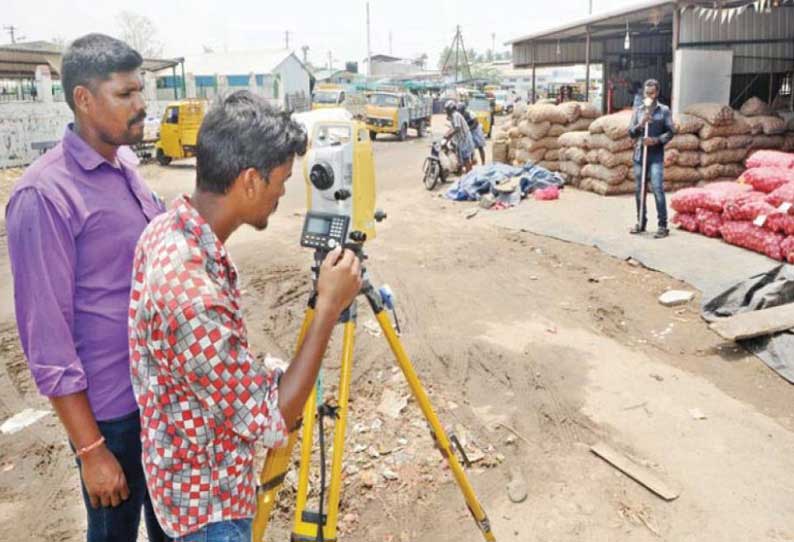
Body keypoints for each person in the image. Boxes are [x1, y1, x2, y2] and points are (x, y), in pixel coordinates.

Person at [128, 90, 363, 542]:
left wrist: (259, 373)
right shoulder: (193, 296)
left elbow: (207, 372)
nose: (282, 193)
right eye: (281, 180)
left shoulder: (168, 230)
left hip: (181, 482)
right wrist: (329, 307)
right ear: (251, 180)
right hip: (207, 513)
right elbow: (274, 420)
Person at [5, 34, 167, 542]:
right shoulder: (45, 195)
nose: (141, 105)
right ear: (83, 98)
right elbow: (47, 339)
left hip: (159, 400)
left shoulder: (128, 169)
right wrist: (92, 450)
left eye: (141, 91)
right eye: (125, 94)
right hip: (112, 417)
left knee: (172, 530)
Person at [627, 79, 675, 238]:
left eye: (652, 93)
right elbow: (631, 132)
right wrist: (641, 124)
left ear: (657, 93)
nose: (649, 95)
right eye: (646, 93)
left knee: (657, 188)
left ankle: (663, 226)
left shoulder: (664, 110)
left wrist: (655, 140)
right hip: (640, 155)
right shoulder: (639, 110)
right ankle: (641, 222)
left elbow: (670, 132)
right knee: (639, 189)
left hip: (655, 156)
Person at [444, 99, 474, 174]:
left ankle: (469, 174)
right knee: (464, 157)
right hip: (462, 139)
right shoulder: (453, 116)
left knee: (466, 158)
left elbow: (457, 128)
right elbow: (452, 127)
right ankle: (466, 172)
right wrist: (446, 134)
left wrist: (449, 135)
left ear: (451, 109)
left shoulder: (455, 115)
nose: (446, 111)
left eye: (447, 109)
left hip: (464, 138)